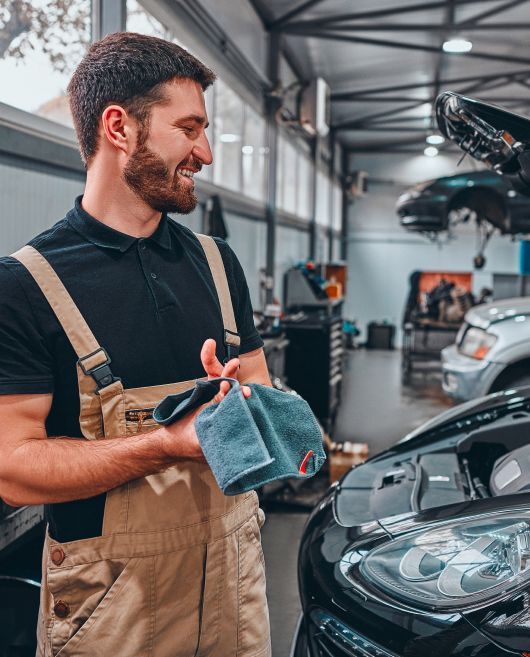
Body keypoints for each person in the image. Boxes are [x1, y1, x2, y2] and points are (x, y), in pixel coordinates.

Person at [0, 32, 272, 657]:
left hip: (235, 586)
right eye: (189, 128)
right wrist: (166, 445)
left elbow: (266, 402)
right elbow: (13, 468)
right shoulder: (26, 284)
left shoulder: (217, 263)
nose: (205, 152)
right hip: (111, 609)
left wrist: (246, 409)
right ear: (119, 127)